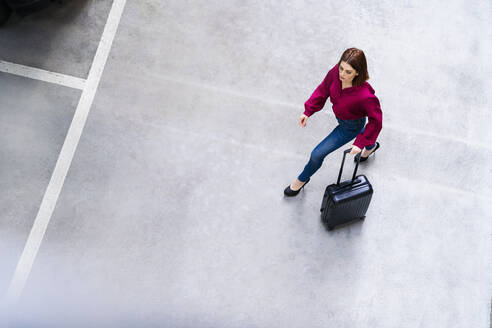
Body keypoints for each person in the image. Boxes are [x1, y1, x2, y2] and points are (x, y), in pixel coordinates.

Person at [284, 48, 383, 197]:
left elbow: (376, 121)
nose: (342, 74)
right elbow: (323, 89)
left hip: (351, 126)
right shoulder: (335, 73)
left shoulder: (365, 96)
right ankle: (371, 146)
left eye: (348, 72)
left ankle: (301, 180)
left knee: (317, 154)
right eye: (341, 68)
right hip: (342, 119)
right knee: (367, 137)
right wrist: (308, 110)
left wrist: (359, 143)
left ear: (358, 72)